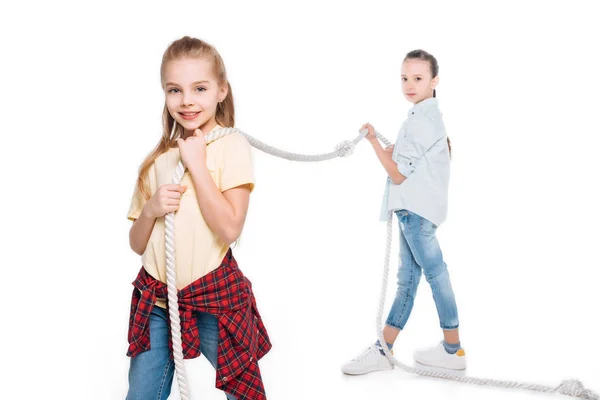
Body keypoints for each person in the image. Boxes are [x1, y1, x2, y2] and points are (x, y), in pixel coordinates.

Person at [125, 36, 271, 399]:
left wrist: (197, 165)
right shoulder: (158, 161)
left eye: (199, 88)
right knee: (141, 394)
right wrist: (151, 209)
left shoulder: (231, 145)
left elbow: (230, 228)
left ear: (221, 90)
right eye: (175, 90)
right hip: (159, 300)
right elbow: (137, 243)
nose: (187, 100)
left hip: (213, 295)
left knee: (244, 390)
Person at [342, 49, 466, 375]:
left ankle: (452, 349)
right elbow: (410, 163)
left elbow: (398, 174)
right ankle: (386, 348)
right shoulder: (423, 116)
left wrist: (372, 143)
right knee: (409, 281)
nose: (409, 85)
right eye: (404, 78)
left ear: (434, 80)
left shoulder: (422, 121)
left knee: (433, 274)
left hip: (415, 211)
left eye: (418, 78)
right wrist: (391, 151)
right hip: (416, 210)